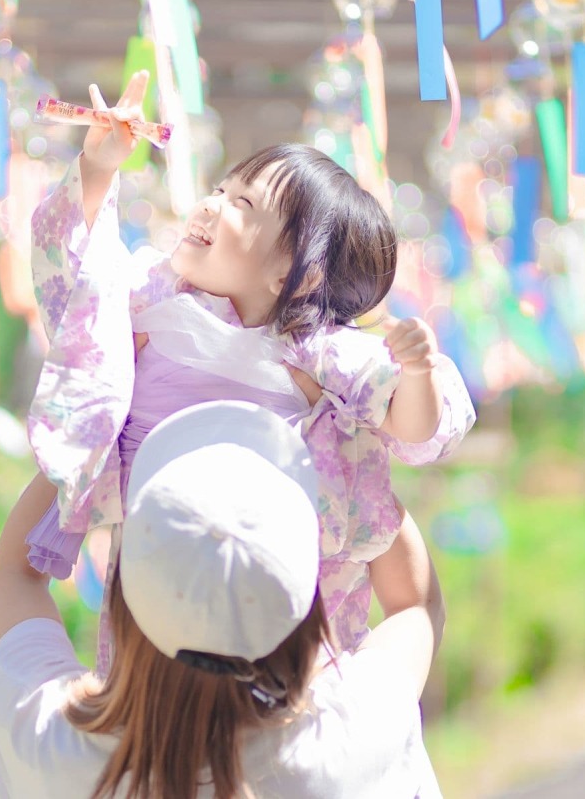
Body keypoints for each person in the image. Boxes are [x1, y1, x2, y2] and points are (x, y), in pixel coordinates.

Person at [25, 71, 475, 671]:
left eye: (242, 203)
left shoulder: (317, 348)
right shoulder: (151, 294)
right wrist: (99, 166)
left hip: (274, 567)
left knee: (286, 694)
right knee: (147, 677)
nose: (210, 204)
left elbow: (412, 428)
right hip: (162, 551)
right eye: (220, 188)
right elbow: (75, 272)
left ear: (298, 274)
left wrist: (416, 373)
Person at [0, 401, 445, 798]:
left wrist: (100, 421)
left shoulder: (53, 752)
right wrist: (352, 453)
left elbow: (15, 577)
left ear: (120, 605)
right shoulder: (343, 749)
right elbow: (416, 607)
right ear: (307, 625)